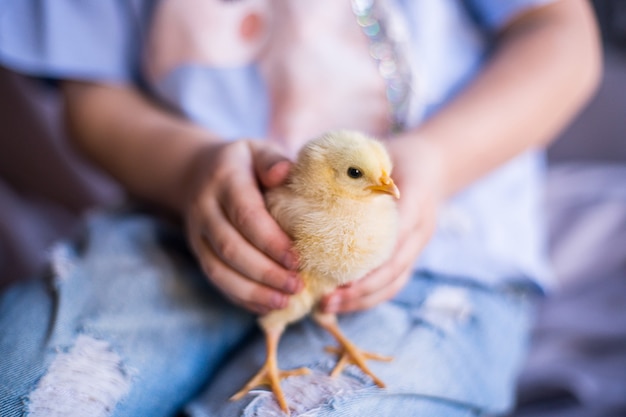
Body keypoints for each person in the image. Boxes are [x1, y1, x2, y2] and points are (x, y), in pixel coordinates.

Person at [0, 1, 600, 416]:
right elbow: (94, 97)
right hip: (171, 230)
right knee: (25, 388)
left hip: (441, 252)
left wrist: (436, 160)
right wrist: (189, 171)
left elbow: (560, 32)